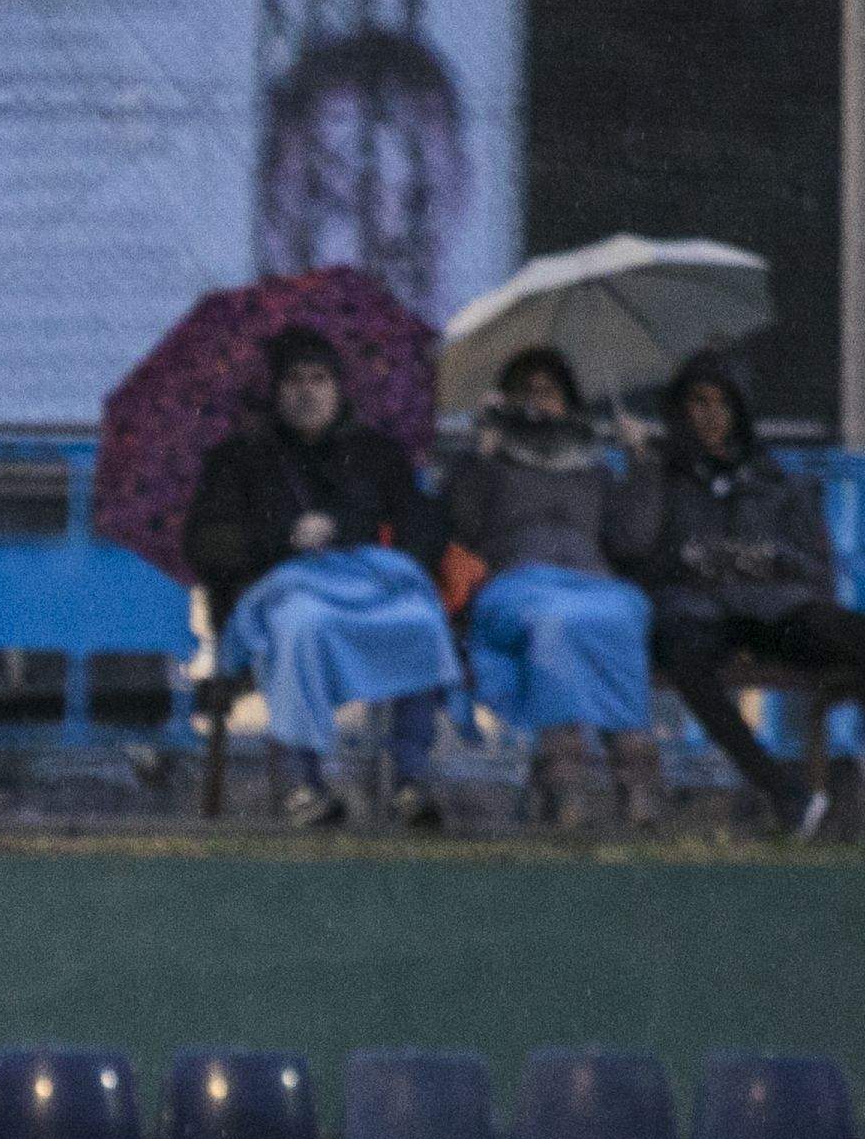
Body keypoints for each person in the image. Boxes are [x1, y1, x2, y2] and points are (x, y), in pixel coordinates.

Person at [183, 325, 456, 829]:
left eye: (320, 379)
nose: (308, 391)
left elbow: (422, 523)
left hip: (366, 587)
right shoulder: (240, 458)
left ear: (337, 387)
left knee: (419, 619)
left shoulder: (377, 453)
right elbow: (206, 543)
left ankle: (410, 779)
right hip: (279, 592)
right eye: (294, 381)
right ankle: (303, 782)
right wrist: (283, 537)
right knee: (301, 628)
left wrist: (355, 535)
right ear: (276, 392)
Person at [611, 346, 863, 835]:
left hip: (773, 608)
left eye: (723, 404)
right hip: (695, 612)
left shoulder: (770, 477)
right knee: (685, 658)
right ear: (680, 410)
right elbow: (633, 545)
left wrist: (753, 559)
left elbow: (807, 561)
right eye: (699, 403)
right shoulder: (662, 472)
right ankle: (780, 788)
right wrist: (643, 467)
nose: (712, 416)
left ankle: (844, 785)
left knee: (846, 633)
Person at [444, 346, 656, 832]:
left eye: (550, 391)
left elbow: (633, 537)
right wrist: (481, 450)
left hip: (592, 586)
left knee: (622, 614)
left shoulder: (592, 467)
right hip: (517, 586)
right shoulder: (494, 460)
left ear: (569, 401)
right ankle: (566, 777)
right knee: (554, 622)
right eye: (528, 392)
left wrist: (640, 458)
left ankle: (635, 777)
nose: (540, 401)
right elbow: (462, 523)